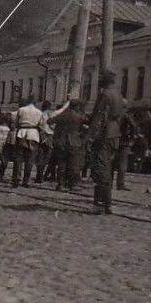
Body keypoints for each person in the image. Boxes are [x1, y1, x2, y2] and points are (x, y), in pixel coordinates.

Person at [87, 69, 125, 214]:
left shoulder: (105, 94)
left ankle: (103, 204)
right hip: (115, 134)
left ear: (105, 81)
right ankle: (103, 203)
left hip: (104, 135)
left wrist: (89, 136)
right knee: (106, 168)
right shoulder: (119, 95)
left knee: (100, 168)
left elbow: (98, 117)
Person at [49, 100, 86, 191]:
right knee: (73, 163)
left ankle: (60, 184)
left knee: (61, 164)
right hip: (74, 141)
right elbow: (88, 124)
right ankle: (72, 184)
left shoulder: (62, 115)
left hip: (61, 141)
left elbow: (49, 121)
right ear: (77, 107)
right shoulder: (79, 116)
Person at [12, 96, 44, 188]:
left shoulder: (21, 110)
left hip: (21, 134)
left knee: (18, 158)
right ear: (35, 103)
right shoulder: (39, 112)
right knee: (30, 159)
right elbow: (41, 125)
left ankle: (16, 179)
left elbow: (17, 123)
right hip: (33, 135)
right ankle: (26, 181)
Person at [115, 106, 139, 191]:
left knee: (111, 163)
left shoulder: (114, 114)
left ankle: (108, 184)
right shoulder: (126, 115)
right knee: (123, 164)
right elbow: (134, 126)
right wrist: (132, 138)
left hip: (114, 140)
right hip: (124, 142)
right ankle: (120, 184)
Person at [0, 112, 18, 182]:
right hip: (18, 139)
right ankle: (15, 178)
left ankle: (0, 176)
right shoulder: (21, 113)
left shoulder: (13, 114)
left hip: (11, 140)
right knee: (17, 161)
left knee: (5, 159)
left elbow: (10, 125)